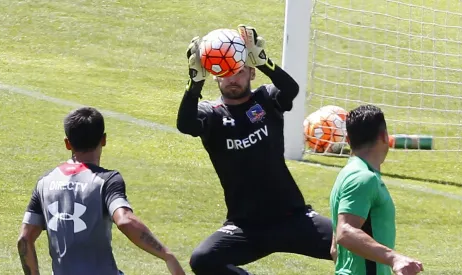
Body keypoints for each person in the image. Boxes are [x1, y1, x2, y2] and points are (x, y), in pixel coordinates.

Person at [177, 24, 333, 275]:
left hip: (293, 218)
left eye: (238, 71)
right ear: (215, 75)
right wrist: (194, 84)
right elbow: (185, 125)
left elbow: (290, 89)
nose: (232, 79)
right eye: (225, 73)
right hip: (246, 227)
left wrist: (264, 62)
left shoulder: (266, 100)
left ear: (251, 73)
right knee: (202, 260)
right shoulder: (211, 114)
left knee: (355, 245)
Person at [18, 107, 186, 275]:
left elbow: (25, 239)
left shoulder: (45, 182)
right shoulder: (107, 180)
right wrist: (167, 255)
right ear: (104, 139)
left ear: (67, 143)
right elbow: (125, 220)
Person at [329, 104, 424, 275]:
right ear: (384, 136)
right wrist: (394, 258)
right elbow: (345, 232)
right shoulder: (364, 178)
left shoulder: (347, 173)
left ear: (349, 140)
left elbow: (334, 247)